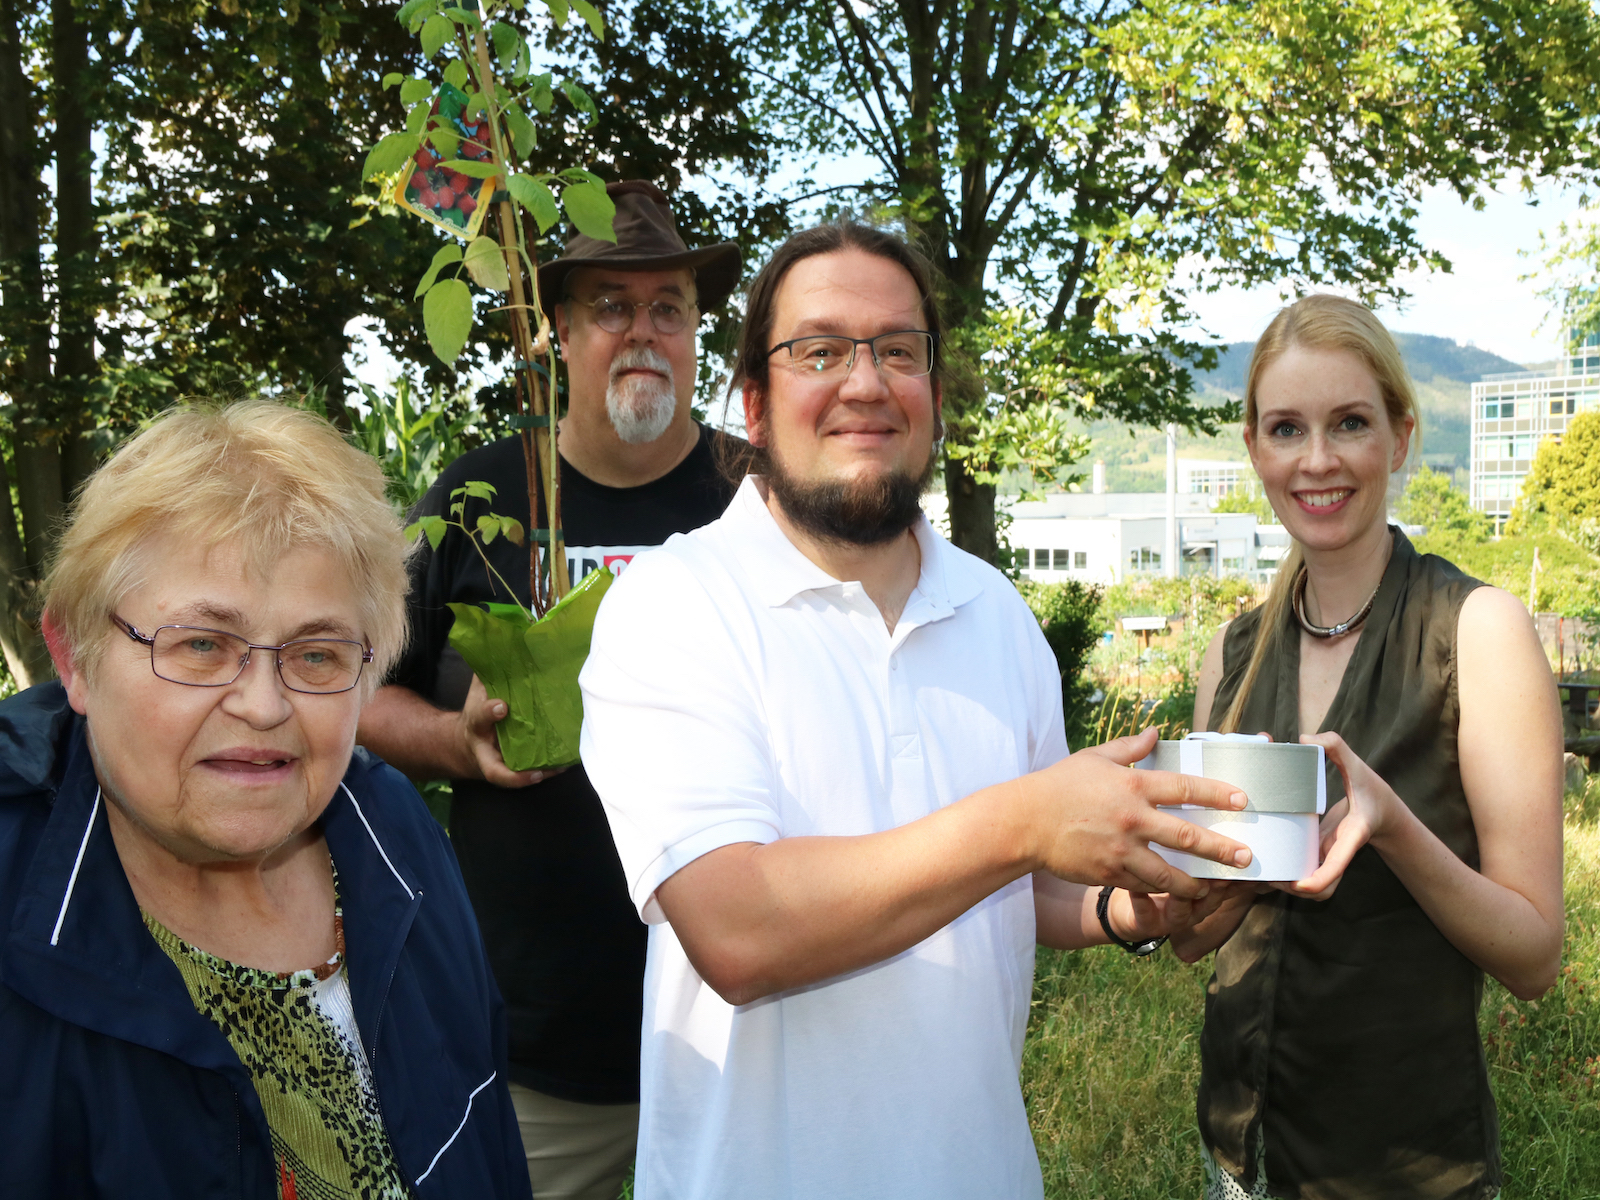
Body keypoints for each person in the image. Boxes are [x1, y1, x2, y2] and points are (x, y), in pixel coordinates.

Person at [577, 221, 1261, 1200]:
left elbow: (1015, 880)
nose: (865, 383)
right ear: (756, 404)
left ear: (935, 394)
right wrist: (1024, 819)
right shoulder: (673, 606)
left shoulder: (997, 617)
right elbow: (735, 932)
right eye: (820, 351)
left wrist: (1124, 902)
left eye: (898, 350)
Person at [0, 401, 531, 1199]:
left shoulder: (397, 840)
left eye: (317, 654)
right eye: (203, 644)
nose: (263, 704)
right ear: (75, 657)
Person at [356, 179, 742, 1200]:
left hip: (743, 1025)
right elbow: (363, 691)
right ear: (559, 331)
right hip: (535, 1040)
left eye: (669, 306)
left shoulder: (757, 498)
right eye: (611, 306)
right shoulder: (481, 500)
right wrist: (456, 743)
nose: (643, 331)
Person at [1178, 294, 1564, 1199]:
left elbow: (1534, 956)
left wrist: (1393, 828)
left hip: (1408, 1170)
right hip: (1240, 1162)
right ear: (1254, 449)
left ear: (1398, 435)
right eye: (1286, 428)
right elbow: (1198, 944)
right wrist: (1173, 875)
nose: (1317, 460)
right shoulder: (1231, 655)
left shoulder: (1479, 631)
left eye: (1349, 422)